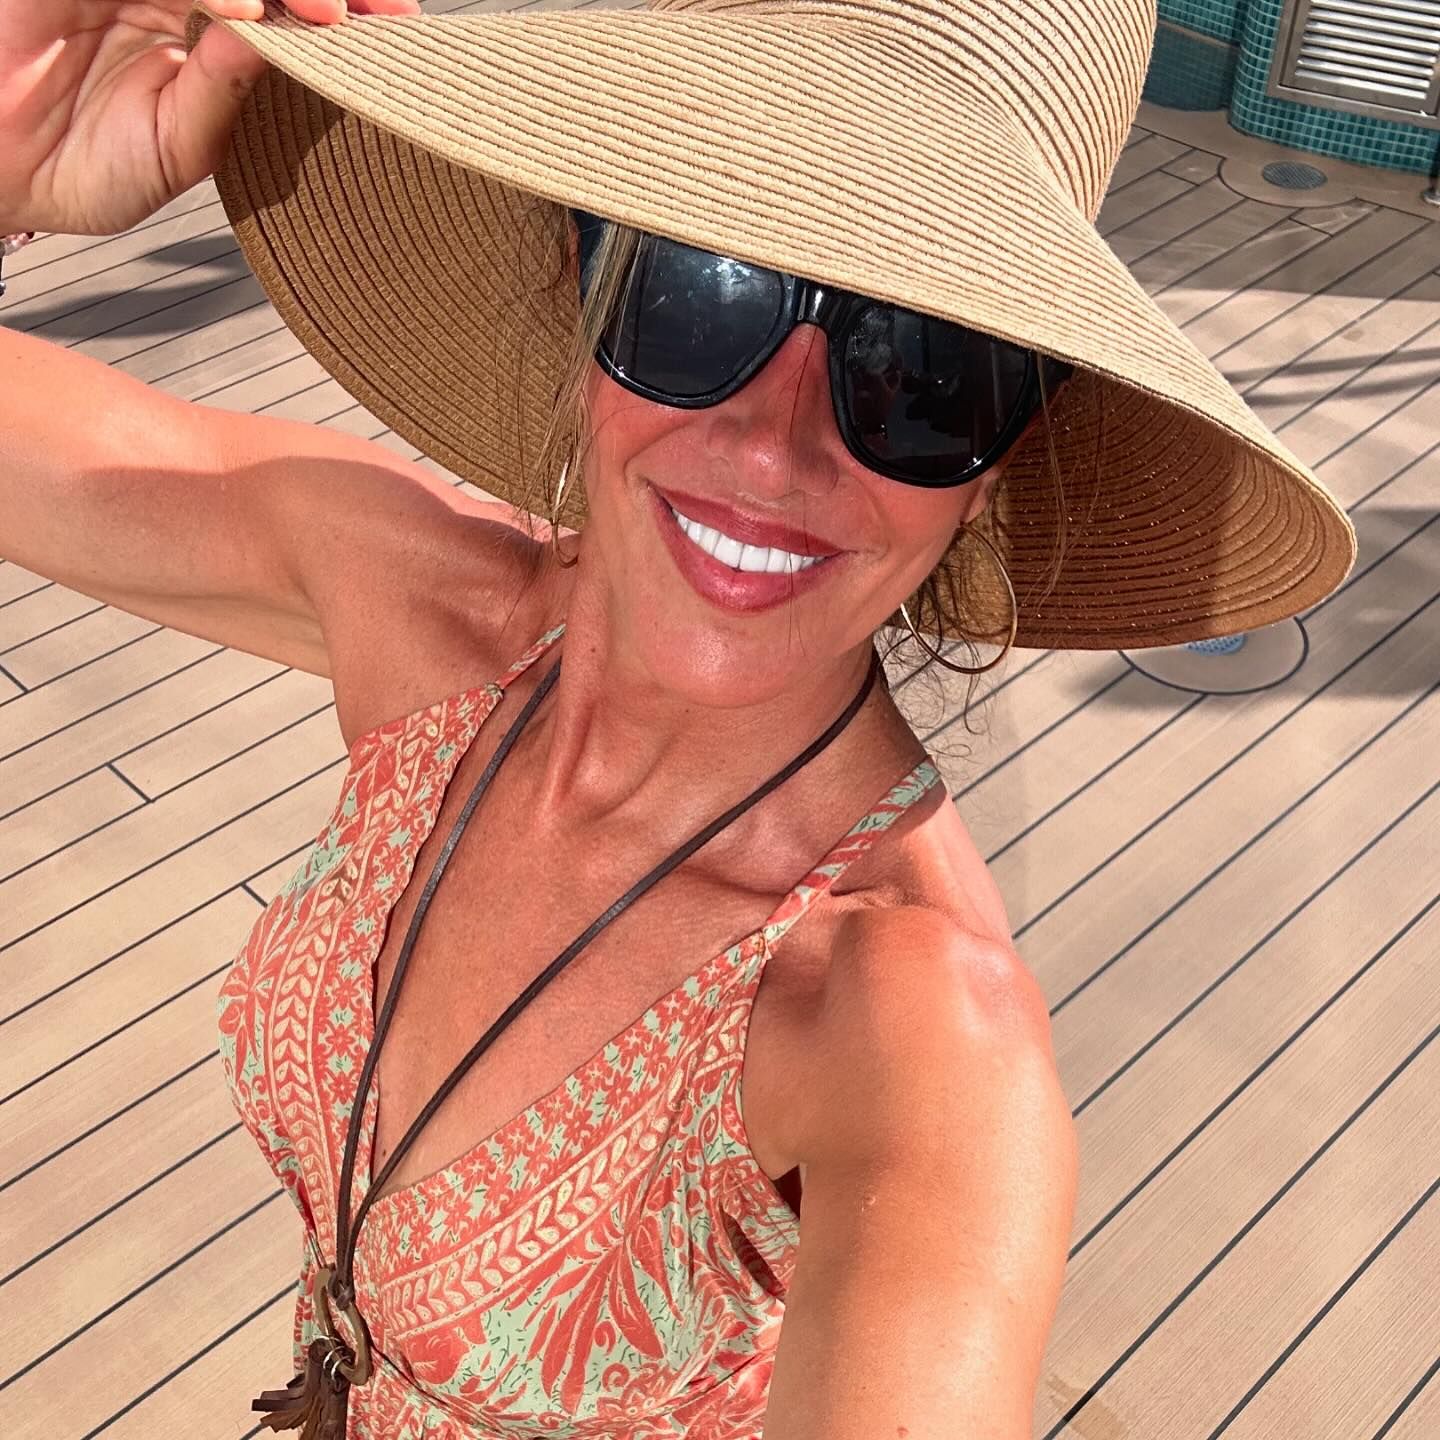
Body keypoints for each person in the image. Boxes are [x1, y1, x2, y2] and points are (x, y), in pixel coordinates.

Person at [0, 0, 1354, 1435]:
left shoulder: (901, 1026)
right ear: (582, 294)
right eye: (701, 292)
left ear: (997, 468)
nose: (774, 446)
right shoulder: (430, 619)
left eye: (925, 373)